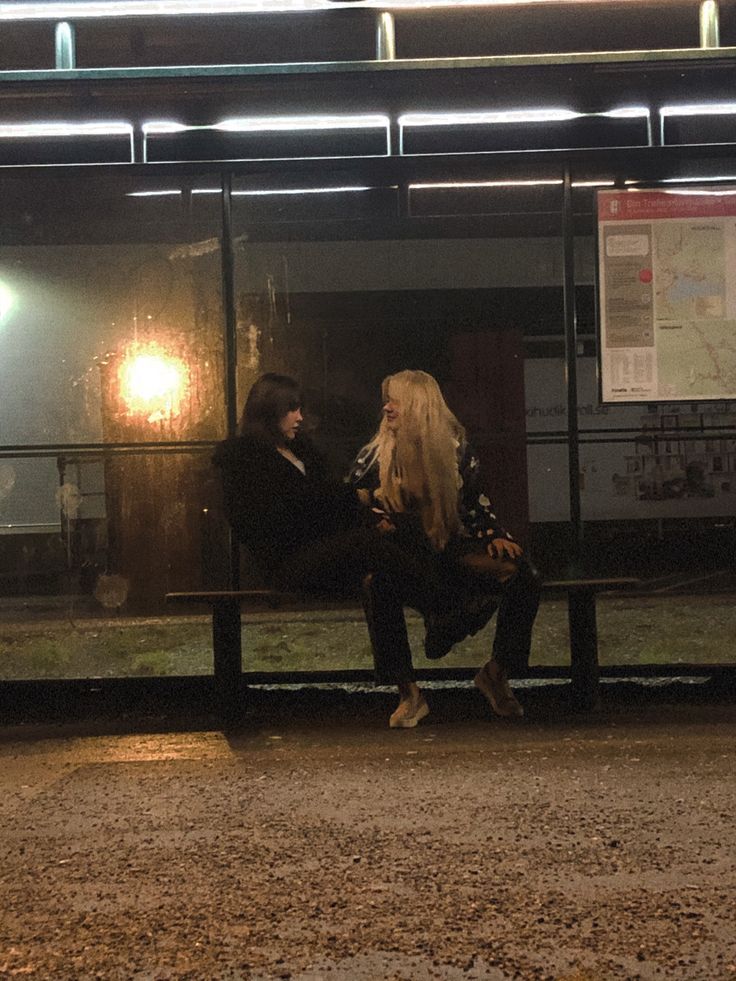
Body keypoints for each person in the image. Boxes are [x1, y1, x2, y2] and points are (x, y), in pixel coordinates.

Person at [212, 372, 457, 727]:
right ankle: (443, 608)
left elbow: (326, 502)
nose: (299, 417)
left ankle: (409, 690)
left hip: (326, 552)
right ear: (270, 411)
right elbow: (282, 515)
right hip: (289, 561)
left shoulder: (300, 450)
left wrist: (362, 511)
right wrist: (349, 504)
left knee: (380, 575)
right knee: (370, 546)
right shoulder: (243, 460)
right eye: (291, 409)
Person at [350, 369, 541, 725]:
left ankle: (496, 674)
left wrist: (494, 534)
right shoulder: (374, 455)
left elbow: (475, 500)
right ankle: (408, 692)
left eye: (395, 401)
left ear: (419, 406)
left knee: (522, 574)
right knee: (376, 584)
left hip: (451, 547)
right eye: (386, 400)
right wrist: (377, 518)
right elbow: (352, 503)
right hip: (404, 554)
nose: (387, 408)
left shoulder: (454, 448)